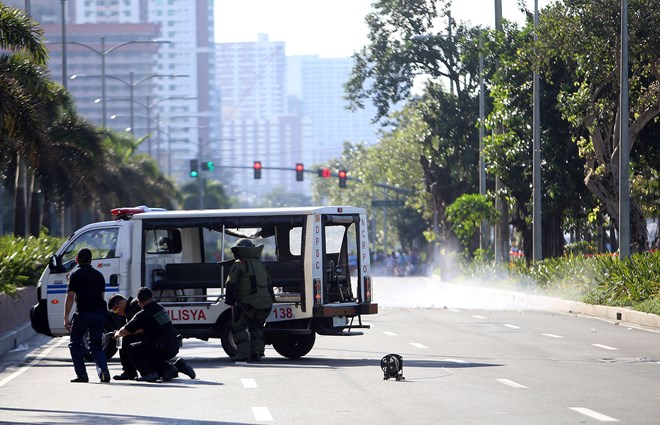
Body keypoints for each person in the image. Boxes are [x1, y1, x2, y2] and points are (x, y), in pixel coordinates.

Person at [113, 287, 195, 382]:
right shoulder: (160, 308)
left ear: (139, 302)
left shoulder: (143, 314)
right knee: (146, 351)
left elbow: (125, 330)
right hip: (173, 346)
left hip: (160, 347)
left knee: (132, 349)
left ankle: (148, 374)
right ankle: (177, 366)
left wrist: (116, 335)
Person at [63, 248, 111, 383]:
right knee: (96, 344)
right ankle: (104, 372)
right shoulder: (99, 275)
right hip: (99, 314)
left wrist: (66, 317)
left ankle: (82, 375)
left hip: (83, 314)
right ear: (91, 260)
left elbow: (70, 296)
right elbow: (101, 297)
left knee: (75, 343)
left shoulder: (74, 275)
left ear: (77, 260)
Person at [224, 238, 274, 363]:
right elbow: (269, 283)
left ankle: (244, 354)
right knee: (256, 327)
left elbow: (231, 284)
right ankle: (257, 353)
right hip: (265, 304)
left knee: (238, 327)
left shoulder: (240, 264)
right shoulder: (261, 264)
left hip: (247, 304)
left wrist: (230, 301)